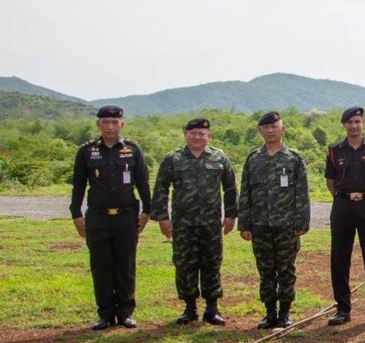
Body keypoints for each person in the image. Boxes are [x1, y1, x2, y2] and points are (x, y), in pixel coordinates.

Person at [69, 105, 151, 330]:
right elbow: (78, 184)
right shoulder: (86, 151)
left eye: (115, 122)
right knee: (101, 265)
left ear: (122, 124)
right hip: (98, 217)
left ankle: (125, 312)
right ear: (98, 125)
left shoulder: (133, 150)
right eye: (106, 122)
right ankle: (105, 314)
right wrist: (75, 213)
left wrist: (147, 210)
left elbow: (142, 182)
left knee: (125, 264)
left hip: (126, 215)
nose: (111, 126)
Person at [151, 118, 238, 325]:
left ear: (209, 135)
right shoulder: (173, 159)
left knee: (212, 264)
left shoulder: (219, 158)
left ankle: (212, 308)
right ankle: (189, 308)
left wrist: (231, 215)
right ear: (185, 134)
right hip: (183, 224)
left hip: (211, 224)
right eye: (193, 133)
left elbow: (230, 188)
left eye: (202, 133)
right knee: (184, 265)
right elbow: (161, 189)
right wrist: (163, 217)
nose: (198, 137)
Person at [237, 112, 311, 330]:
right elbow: (245, 193)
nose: (270, 130)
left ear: (282, 129)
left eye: (274, 126)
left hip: (287, 225)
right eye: (266, 127)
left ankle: (285, 313)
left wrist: (302, 222)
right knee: (266, 271)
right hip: (260, 226)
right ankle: (270, 313)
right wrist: (245, 224)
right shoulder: (253, 159)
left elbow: (302, 192)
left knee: (286, 270)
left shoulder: (293, 158)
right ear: (260, 131)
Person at [324, 106, 365, 326]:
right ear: (344, 125)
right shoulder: (335, 150)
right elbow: (330, 182)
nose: (354, 125)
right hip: (342, 206)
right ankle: (343, 309)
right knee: (340, 258)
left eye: (358, 121)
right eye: (350, 122)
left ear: (363, 124)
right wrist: (345, 197)